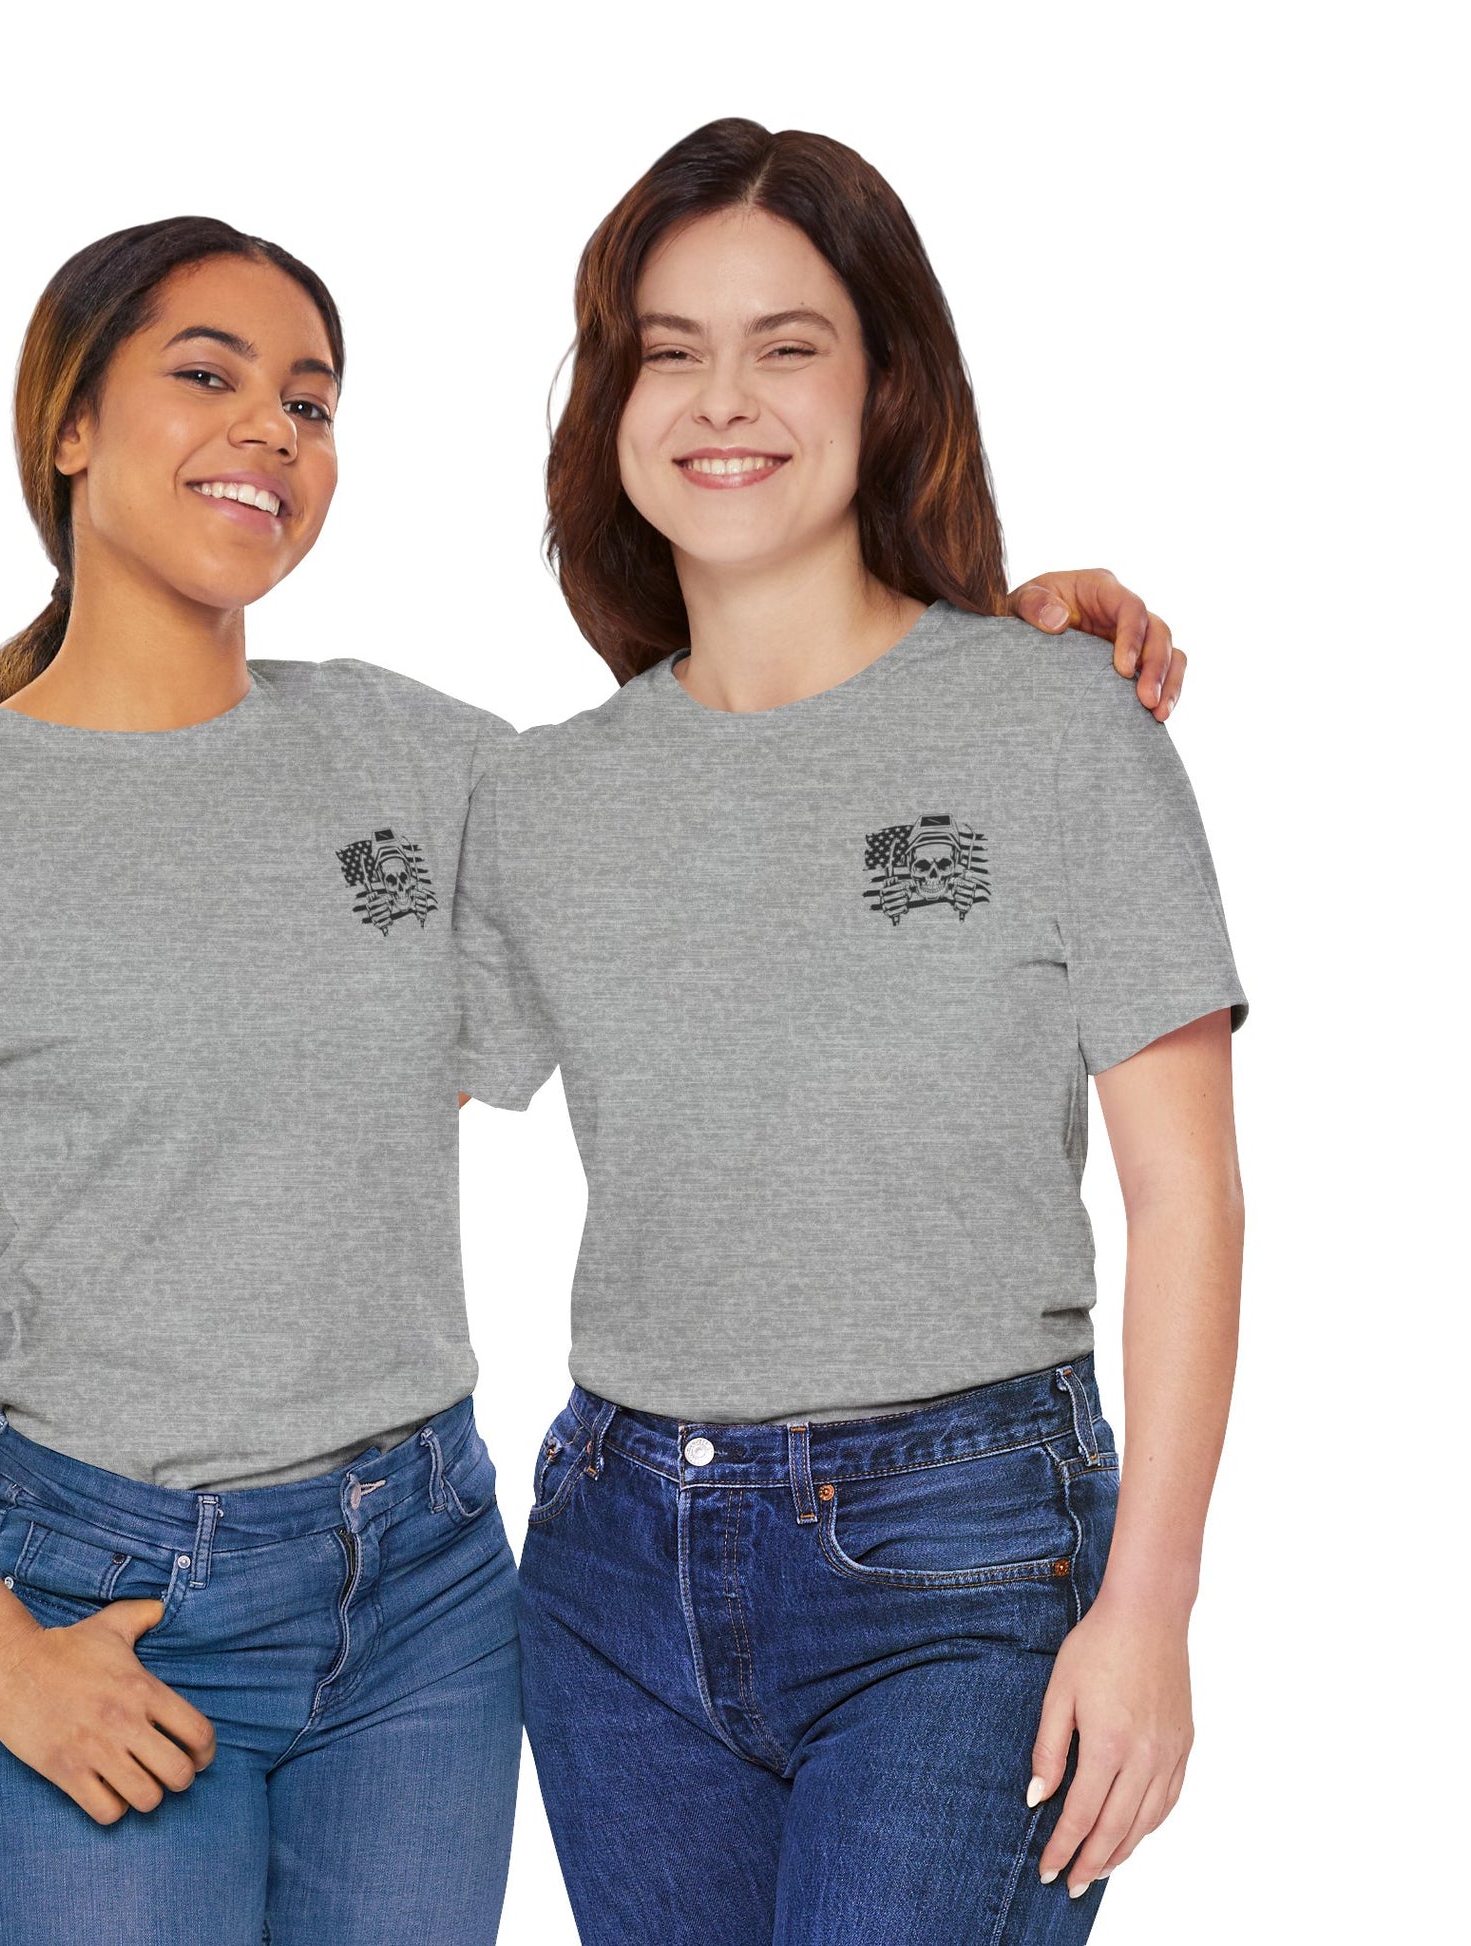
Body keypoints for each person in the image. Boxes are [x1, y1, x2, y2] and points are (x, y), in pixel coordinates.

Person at [0, 210, 1183, 1945]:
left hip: (425, 1599)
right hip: (106, 1601)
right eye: (207, 375)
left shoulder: (421, 763)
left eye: (310, 401)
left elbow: (726, 783)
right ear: (70, 424)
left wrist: (993, 655)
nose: (269, 428)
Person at [454, 120, 1246, 1946]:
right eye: (667, 349)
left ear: (887, 384)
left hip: (965, 1557)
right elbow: (320, 1072)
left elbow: (1187, 1195)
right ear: (610, 401)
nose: (721, 398)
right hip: (609, 1572)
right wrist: (43, 762)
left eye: (786, 344)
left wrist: (1148, 1608)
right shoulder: (541, 798)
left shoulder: (1058, 719)